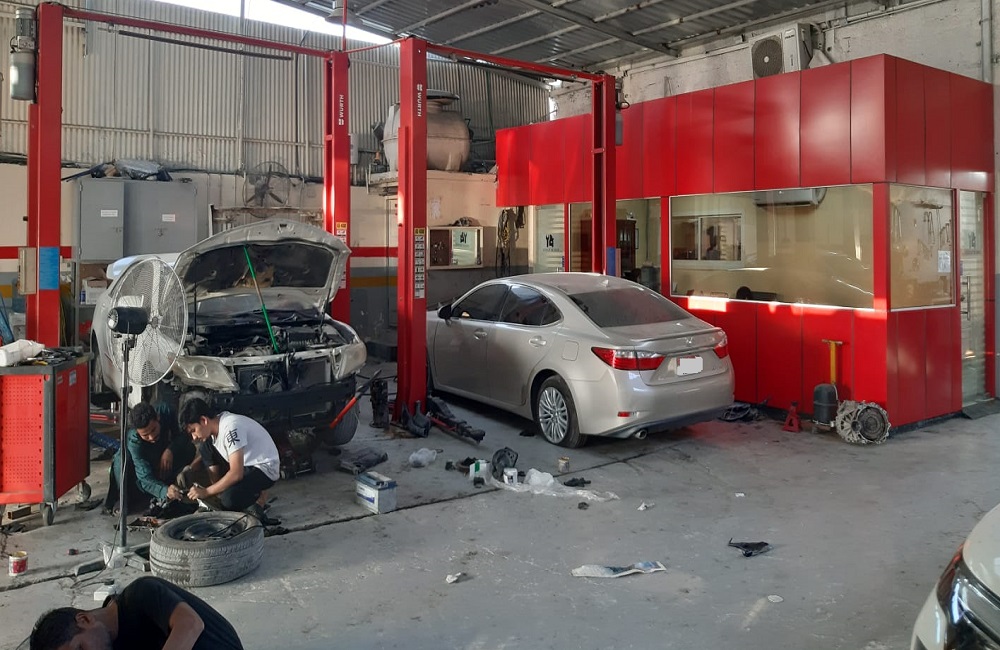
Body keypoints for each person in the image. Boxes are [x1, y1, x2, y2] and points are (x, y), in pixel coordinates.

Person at [28, 575, 243, 650]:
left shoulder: (140, 593)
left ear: (84, 619)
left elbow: (190, 624)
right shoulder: (113, 643)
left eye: (81, 649)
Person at [178, 398, 280, 524]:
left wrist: (206, 492)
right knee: (205, 447)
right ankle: (221, 494)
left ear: (204, 420)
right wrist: (190, 468)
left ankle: (257, 502)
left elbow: (236, 473)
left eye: (193, 430)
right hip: (246, 465)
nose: (194, 437)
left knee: (229, 499)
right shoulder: (216, 428)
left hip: (265, 468)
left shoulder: (231, 427)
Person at [104, 402, 197, 515]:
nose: (152, 437)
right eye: (145, 435)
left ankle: (173, 481)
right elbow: (144, 477)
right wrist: (165, 491)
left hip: (162, 456)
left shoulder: (165, 411)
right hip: (138, 475)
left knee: (189, 448)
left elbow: (184, 435)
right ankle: (123, 497)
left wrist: (170, 450)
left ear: (158, 418)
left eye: (153, 430)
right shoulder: (133, 440)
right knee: (122, 459)